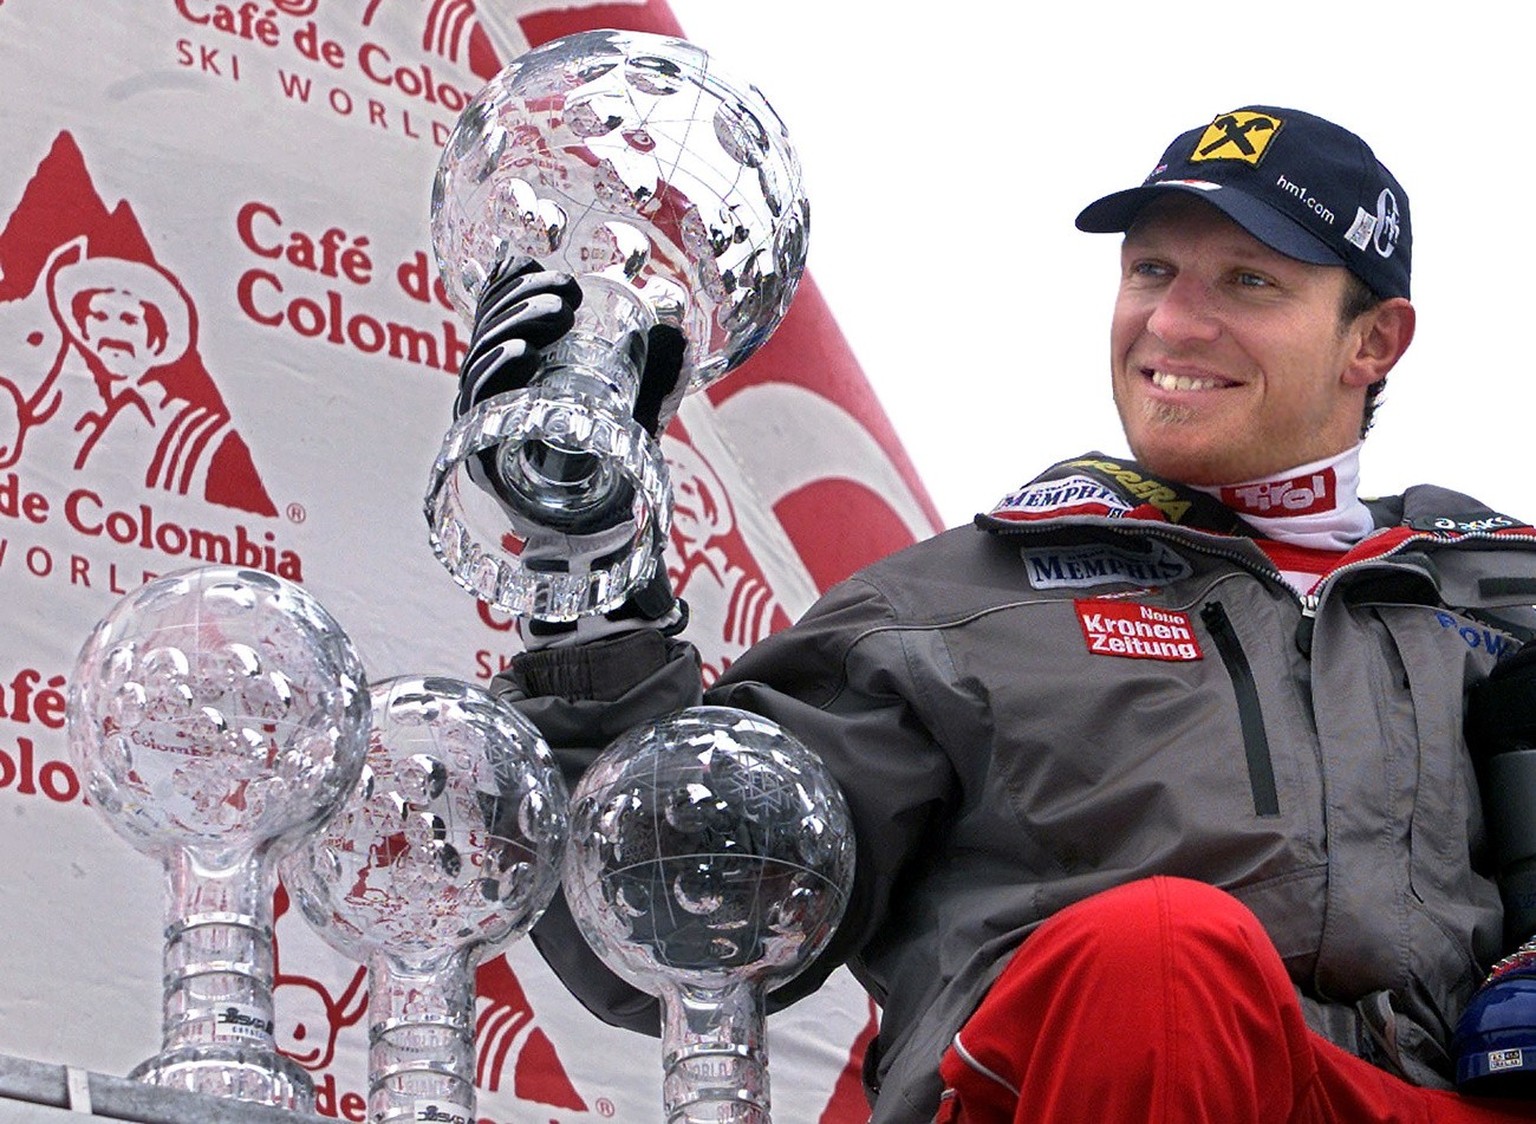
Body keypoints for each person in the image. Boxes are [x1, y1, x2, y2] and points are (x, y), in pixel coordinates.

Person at [458, 105, 1536, 1122]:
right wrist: (589, 585)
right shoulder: (955, 605)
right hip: (1089, 1071)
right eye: (1151, 270)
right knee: (1162, 954)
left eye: (1248, 281)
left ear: (1373, 342)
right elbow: (662, 929)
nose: (1172, 321)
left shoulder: (1489, 592)